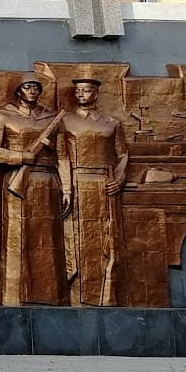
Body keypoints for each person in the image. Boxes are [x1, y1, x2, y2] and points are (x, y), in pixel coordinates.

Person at [0, 73, 68, 306]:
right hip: (17, 183)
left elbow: (63, 156)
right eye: (27, 87)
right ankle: (13, 298)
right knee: (16, 238)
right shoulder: (3, 115)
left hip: (47, 182)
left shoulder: (51, 118)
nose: (32, 91)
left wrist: (68, 189)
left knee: (47, 241)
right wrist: (21, 156)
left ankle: (49, 297)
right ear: (18, 90)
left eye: (36, 87)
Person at [56, 77, 129, 307]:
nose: (80, 95)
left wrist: (119, 179)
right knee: (78, 242)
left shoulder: (112, 123)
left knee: (107, 241)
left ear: (95, 94)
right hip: (78, 184)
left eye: (86, 91)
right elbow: (62, 157)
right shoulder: (64, 121)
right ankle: (77, 297)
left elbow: (122, 155)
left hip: (105, 186)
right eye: (77, 91)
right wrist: (67, 189)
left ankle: (106, 297)